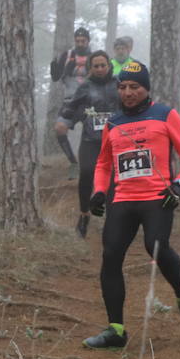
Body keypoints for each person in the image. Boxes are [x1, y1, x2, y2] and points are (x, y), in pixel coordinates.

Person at [84, 60, 180, 349]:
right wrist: (99, 192)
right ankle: (116, 330)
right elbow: (103, 163)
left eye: (134, 87)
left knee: (156, 246)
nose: (128, 92)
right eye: (123, 87)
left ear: (147, 88)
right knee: (111, 256)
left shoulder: (165, 115)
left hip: (158, 198)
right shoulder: (113, 122)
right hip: (123, 200)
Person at [54, 51, 120, 239]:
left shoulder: (118, 85)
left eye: (103, 65)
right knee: (87, 174)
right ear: (91, 68)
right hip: (90, 140)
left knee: (114, 179)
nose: (100, 69)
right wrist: (64, 121)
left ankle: (113, 220)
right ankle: (84, 215)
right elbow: (72, 106)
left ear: (109, 66)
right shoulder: (85, 87)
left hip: (115, 141)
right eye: (96, 66)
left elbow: (130, 104)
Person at [51, 27, 94, 177]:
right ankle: (73, 164)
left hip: (90, 103)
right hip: (70, 101)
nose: (80, 43)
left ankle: (95, 165)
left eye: (83, 41)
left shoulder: (95, 56)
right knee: (59, 128)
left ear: (88, 41)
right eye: (77, 41)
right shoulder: (67, 55)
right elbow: (55, 77)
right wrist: (56, 69)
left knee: (96, 133)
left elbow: (104, 76)